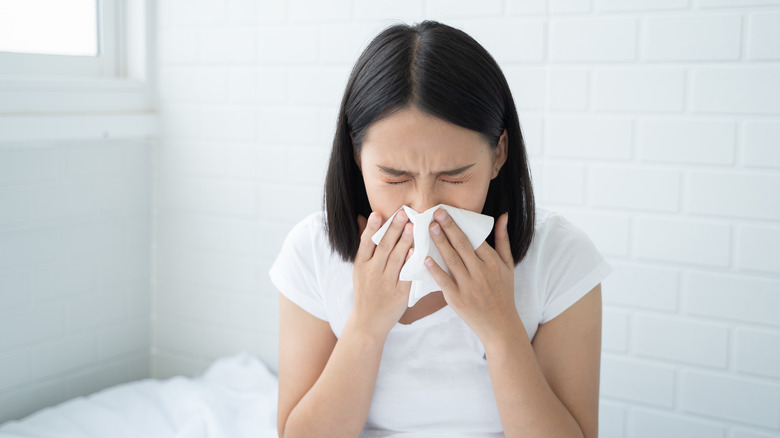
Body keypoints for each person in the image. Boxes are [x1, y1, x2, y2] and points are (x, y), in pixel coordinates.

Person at [269, 20, 613, 438]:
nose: (425, 207)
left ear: (499, 153)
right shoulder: (312, 250)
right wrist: (365, 326)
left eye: (454, 177)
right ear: (355, 155)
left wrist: (501, 329)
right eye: (395, 178)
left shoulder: (559, 255)